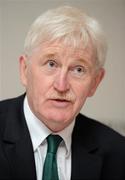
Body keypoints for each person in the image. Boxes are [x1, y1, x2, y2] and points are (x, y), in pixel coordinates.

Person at [0, 5, 125, 180]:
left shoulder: (118, 153)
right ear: (25, 70)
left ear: (95, 82)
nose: (61, 85)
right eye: (51, 64)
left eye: (78, 69)